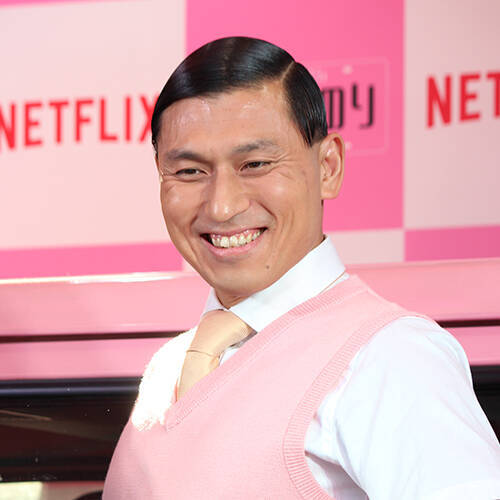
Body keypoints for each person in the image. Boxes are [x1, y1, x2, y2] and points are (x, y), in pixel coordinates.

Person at [103, 37, 500, 499]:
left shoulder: (389, 357)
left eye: (255, 164)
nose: (222, 205)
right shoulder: (166, 368)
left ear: (328, 166)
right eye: (190, 171)